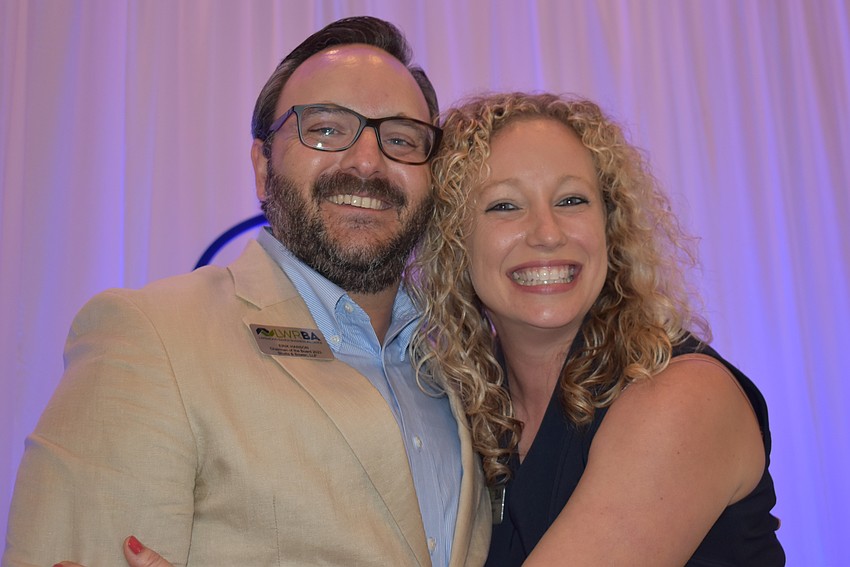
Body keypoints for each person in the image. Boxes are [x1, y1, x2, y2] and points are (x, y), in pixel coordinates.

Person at [2, 16, 491, 567]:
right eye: (326, 129)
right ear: (262, 165)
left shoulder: (459, 367)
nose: (366, 161)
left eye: (400, 139)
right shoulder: (152, 338)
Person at [407, 92, 785, 565]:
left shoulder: (683, 397)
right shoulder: (465, 415)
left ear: (609, 224)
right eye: (504, 206)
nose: (547, 233)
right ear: (452, 242)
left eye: (571, 200)